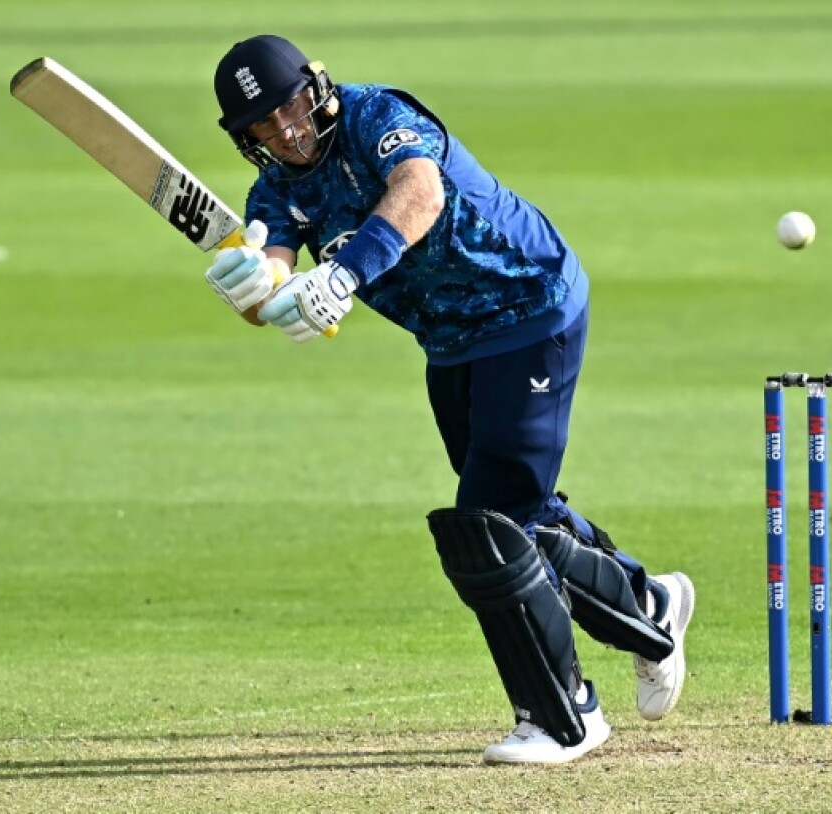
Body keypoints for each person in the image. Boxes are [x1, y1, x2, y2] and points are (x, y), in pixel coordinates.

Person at [205, 34, 695, 765]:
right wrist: (255, 287)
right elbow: (273, 264)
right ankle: (647, 606)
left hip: (530, 307)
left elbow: (420, 192)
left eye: (291, 109)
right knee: (519, 514)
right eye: (264, 127)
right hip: (451, 342)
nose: (287, 131)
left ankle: (565, 717)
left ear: (315, 88)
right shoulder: (275, 189)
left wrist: (341, 276)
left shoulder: (377, 116)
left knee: (488, 524)